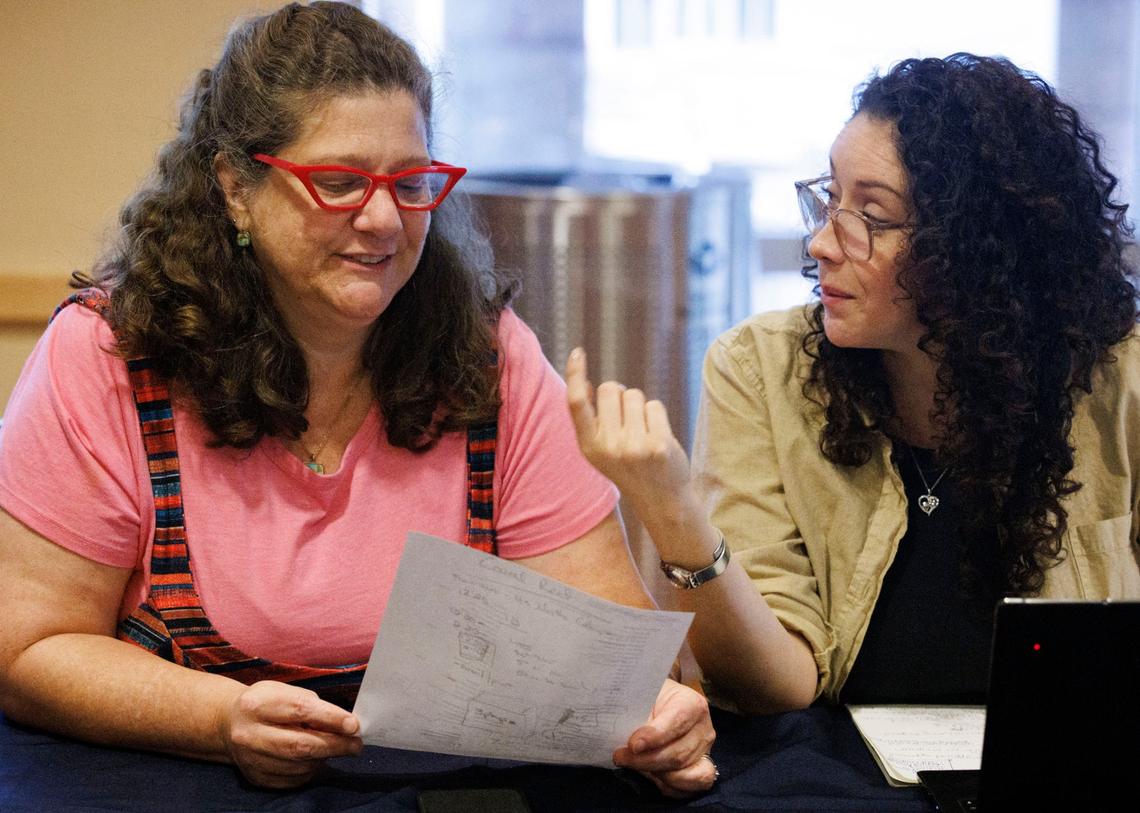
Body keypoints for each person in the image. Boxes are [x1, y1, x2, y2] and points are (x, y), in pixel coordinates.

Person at [0, 1, 715, 794]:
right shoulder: (109, 354)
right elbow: (29, 651)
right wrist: (217, 717)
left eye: (411, 183)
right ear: (236, 187)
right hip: (169, 775)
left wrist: (654, 710)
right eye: (337, 182)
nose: (382, 220)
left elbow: (608, 643)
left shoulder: (489, 354)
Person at [567, 53, 1139, 712]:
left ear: (977, 246)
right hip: (843, 784)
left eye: (873, 214)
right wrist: (672, 508)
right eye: (829, 198)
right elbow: (769, 687)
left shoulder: (1120, 379)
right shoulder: (762, 369)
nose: (822, 243)